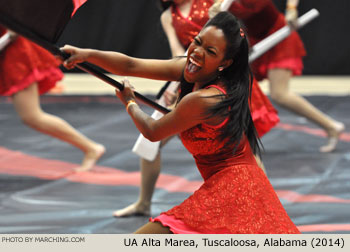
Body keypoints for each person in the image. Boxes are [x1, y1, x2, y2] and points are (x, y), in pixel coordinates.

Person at [62, 11, 300, 234]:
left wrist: (130, 102)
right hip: (230, 187)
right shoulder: (191, 69)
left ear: (224, 63)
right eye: (197, 42)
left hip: (236, 191)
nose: (197, 52)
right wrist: (86, 54)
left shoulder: (204, 100)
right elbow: (131, 65)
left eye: (210, 51)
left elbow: (153, 132)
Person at [112, 0, 279, 218]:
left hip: (222, 88)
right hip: (191, 79)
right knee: (148, 143)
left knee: (245, 150)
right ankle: (144, 202)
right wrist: (178, 83)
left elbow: (236, 34)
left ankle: (264, 209)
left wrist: (219, 13)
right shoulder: (167, 17)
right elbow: (178, 53)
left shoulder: (211, 4)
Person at [210, 0, 345, 153]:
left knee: (280, 94)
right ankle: (234, 139)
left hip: (279, 36)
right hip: (255, 42)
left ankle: (331, 126)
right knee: (233, 86)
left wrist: (292, 8)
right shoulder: (218, 2)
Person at [0, 26, 105, 172]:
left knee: (32, 116)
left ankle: (91, 147)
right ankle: (90, 147)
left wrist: (8, 37)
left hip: (17, 57)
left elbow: (15, 29)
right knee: (32, 116)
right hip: (11, 50)